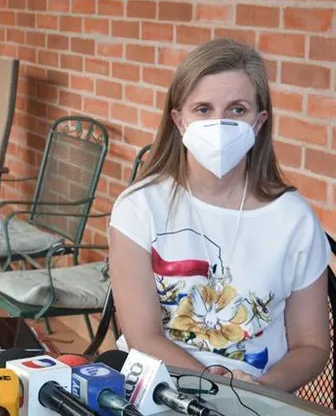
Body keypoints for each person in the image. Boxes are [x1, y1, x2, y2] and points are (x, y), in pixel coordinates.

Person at [108, 38, 330, 392]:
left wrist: (257, 390)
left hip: (258, 398)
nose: (220, 123)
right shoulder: (139, 207)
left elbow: (313, 345)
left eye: (237, 110)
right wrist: (216, 389)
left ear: (259, 122)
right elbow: (143, 336)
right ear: (179, 121)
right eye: (203, 109)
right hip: (156, 389)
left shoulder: (295, 221)